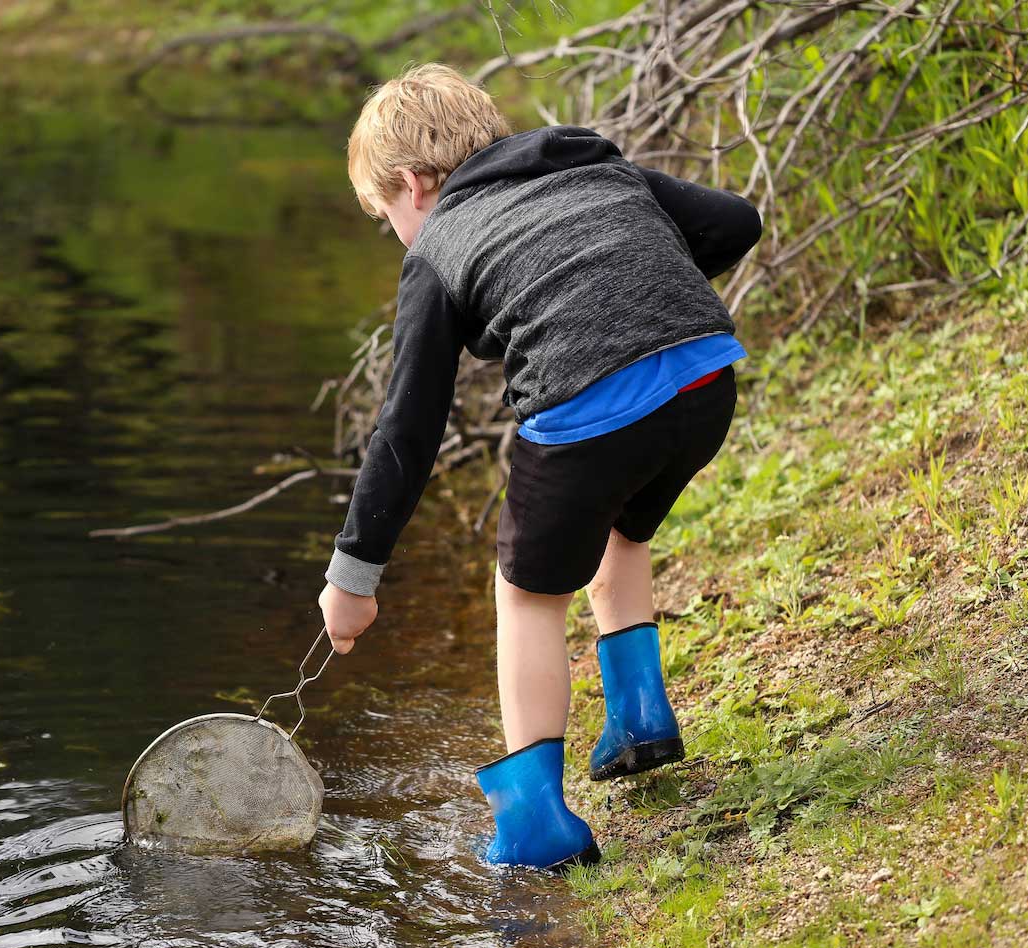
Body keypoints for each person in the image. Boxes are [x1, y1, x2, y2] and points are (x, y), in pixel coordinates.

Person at [316, 63, 761, 872]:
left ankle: (533, 826)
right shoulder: (592, 162)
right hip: (704, 382)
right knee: (619, 524)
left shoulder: (440, 243)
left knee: (525, 594)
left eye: (388, 217)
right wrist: (640, 289)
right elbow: (736, 221)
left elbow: (408, 431)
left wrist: (353, 580)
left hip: (592, 410)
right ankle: (637, 716)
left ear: (414, 185)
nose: (398, 234)